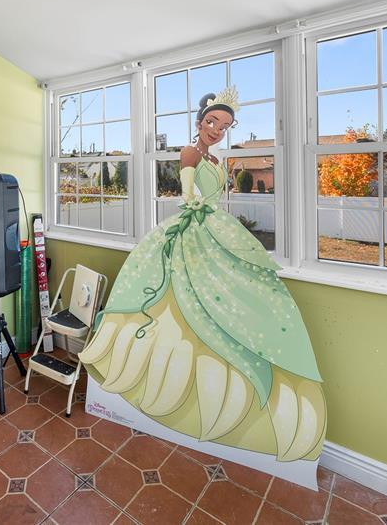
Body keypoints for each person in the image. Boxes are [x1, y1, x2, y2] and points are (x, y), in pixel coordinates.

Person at [79, 87, 326, 462]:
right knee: (176, 299)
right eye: (213, 122)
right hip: (194, 225)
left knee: (228, 296)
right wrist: (197, 208)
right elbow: (188, 192)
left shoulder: (217, 158)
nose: (218, 130)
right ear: (199, 123)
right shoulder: (192, 152)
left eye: (225, 126)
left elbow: (214, 197)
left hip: (215, 224)